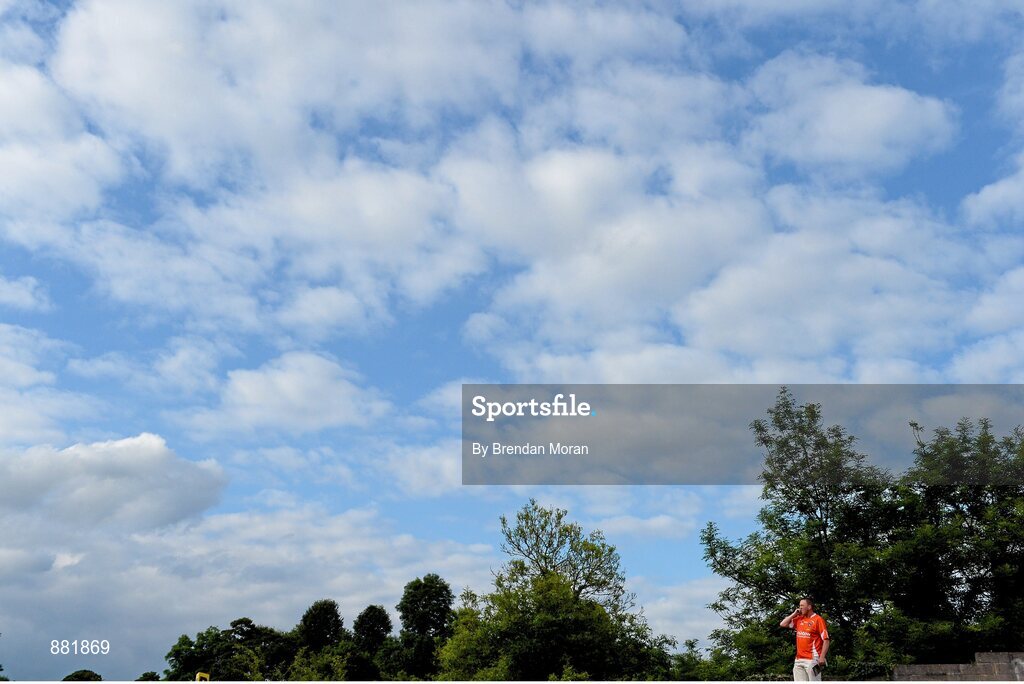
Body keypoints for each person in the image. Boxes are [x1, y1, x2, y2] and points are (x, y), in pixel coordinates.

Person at [780, 597, 829, 681]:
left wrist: (822, 657)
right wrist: (794, 614)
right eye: (799, 605)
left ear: (809, 607)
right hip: (799, 660)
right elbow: (783, 624)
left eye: (802, 605)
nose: (800, 607)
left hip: (813, 660)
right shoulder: (799, 619)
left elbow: (826, 640)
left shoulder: (818, 620)